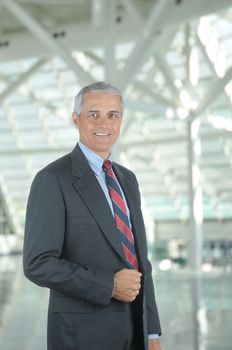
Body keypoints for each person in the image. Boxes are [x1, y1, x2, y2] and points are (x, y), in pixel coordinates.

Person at [23, 81, 162, 350]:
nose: (104, 124)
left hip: (136, 332)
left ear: (121, 121)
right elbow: (37, 263)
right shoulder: (52, 179)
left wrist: (152, 333)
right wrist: (108, 285)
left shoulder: (128, 180)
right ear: (76, 119)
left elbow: (140, 262)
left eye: (113, 115)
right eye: (93, 114)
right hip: (82, 337)